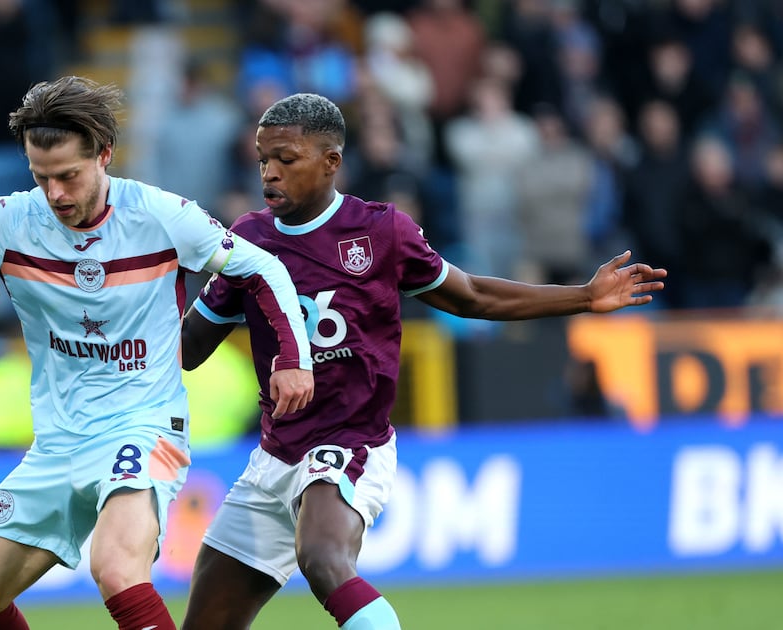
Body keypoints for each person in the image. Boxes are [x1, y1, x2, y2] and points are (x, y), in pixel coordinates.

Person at [0, 75, 314, 630]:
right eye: (41, 178)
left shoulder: (162, 216)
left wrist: (293, 357)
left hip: (144, 426)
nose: (56, 195)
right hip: (58, 442)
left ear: (104, 155)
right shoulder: (10, 221)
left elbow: (262, 266)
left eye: (69, 176)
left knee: (117, 568)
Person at [178, 93, 667, 630]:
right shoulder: (247, 241)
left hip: (349, 442)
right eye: (262, 160)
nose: (269, 173)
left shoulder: (381, 232)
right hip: (273, 455)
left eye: (286, 160)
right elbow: (189, 348)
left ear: (331, 162)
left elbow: (472, 295)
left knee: (322, 558)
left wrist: (582, 297)